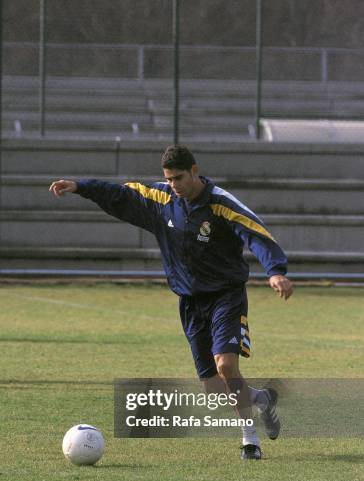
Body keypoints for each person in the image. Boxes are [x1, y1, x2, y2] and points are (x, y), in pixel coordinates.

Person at [49, 144, 293, 460]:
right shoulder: (163, 199)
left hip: (225, 296)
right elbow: (121, 195)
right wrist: (81, 187)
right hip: (190, 303)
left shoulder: (220, 204)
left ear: (194, 171)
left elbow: (255, 232)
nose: (174, 185)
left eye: (178, 178)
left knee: (226, 364)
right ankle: (262, 400)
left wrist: (275, 271)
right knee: (214, 388)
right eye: (168, 179)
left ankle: (250, 441)